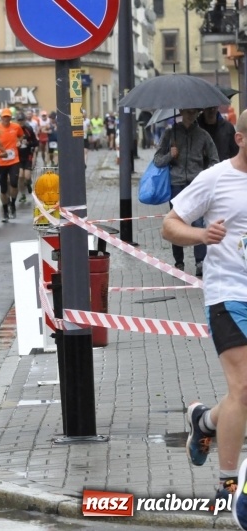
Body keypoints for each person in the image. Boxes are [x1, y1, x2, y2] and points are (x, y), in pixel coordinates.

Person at [161, 110, 247, 521]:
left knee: (238, 397)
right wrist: (201, 235)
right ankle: (228, 485)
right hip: (229, 296)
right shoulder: (217, 178)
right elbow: (169, 224)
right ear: (241, 139)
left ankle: (204, 421)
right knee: (245, 389)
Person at [154, 108, 219, 276]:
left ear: (198, 113)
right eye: (187, 111)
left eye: (194, 112)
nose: (190, 114)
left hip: (196, 186)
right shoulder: (170, 133)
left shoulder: (203, 135)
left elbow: (214, 160)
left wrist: (204, 176)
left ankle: (200, 261)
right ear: (181, 111)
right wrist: (170, 155)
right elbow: (157, 160)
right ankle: (179, 262)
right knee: (176, 223)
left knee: (198, 223)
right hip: (176, 184)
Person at [0, 108, 25, 222]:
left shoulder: (16, 127)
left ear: (11, 117)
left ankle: (12, 203)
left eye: (8, 116)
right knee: (3, 188)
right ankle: (5, 209)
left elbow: (21, 135)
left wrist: (19, 141)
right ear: (1, 117)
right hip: (1, 161)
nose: (6, 118)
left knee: (13, 183)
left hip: (14, 160)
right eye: (4, 116)